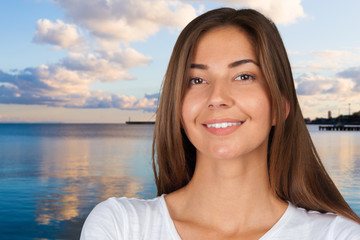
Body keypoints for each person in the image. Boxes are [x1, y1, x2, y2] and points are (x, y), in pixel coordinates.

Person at [80, 8, 360, 239]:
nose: (217, 98)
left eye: (243, 76)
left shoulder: (339, 235)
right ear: (177, 108)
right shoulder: (120, 226)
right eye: (197, 80)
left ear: (280, 107)